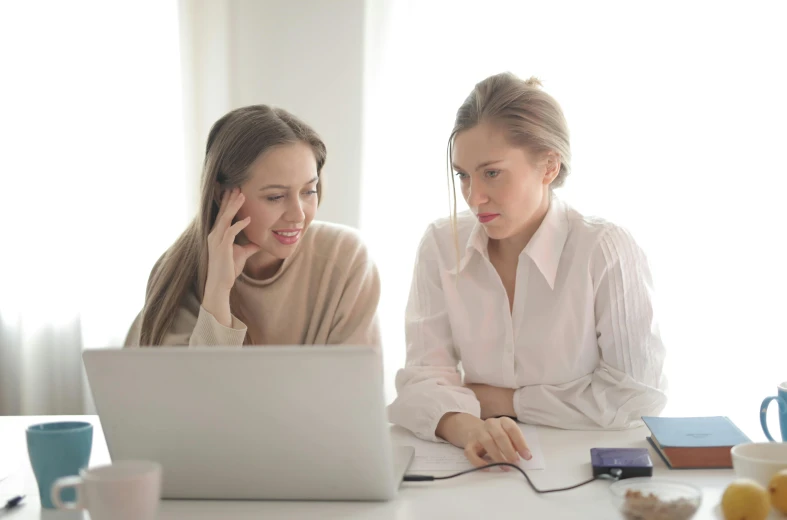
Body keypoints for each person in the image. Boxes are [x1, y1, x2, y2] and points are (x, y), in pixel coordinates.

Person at [388, 73, 667, 468]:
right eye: (463, 175)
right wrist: (467, 426)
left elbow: (637, 396)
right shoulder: (440, 243)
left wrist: (505, 401)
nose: (473, 196)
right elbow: (421, 380)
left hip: (588, 469)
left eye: (492, 172)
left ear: (549, 166)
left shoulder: (604, 249)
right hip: (478, 465)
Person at [124, 105, 380, 347]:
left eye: (309, 191)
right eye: (275, 197)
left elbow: (357, 387)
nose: (298, 215)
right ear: (221, 194)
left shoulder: (346, 259)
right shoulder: (176, 274)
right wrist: (217, 292)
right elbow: (194, 390)